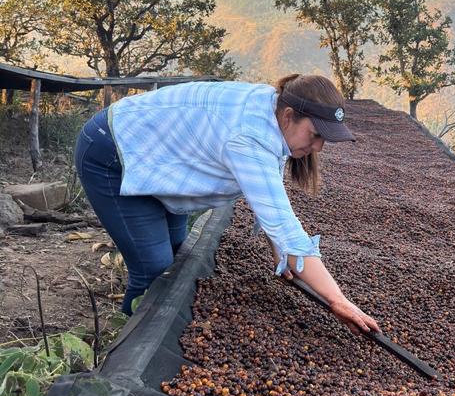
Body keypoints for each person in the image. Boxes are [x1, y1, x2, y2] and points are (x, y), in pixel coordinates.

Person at [74, 72, 379, 334]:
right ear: (289, 117)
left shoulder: (275, 111)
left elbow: (270, 192)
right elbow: (285, 224)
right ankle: (121, 348)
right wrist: (337, 300)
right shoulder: (249, 137)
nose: (319, 147)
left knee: (179, 251)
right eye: (315, 135)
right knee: (154, 268)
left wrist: (279, 251)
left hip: (161, 157)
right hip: (114, 152)